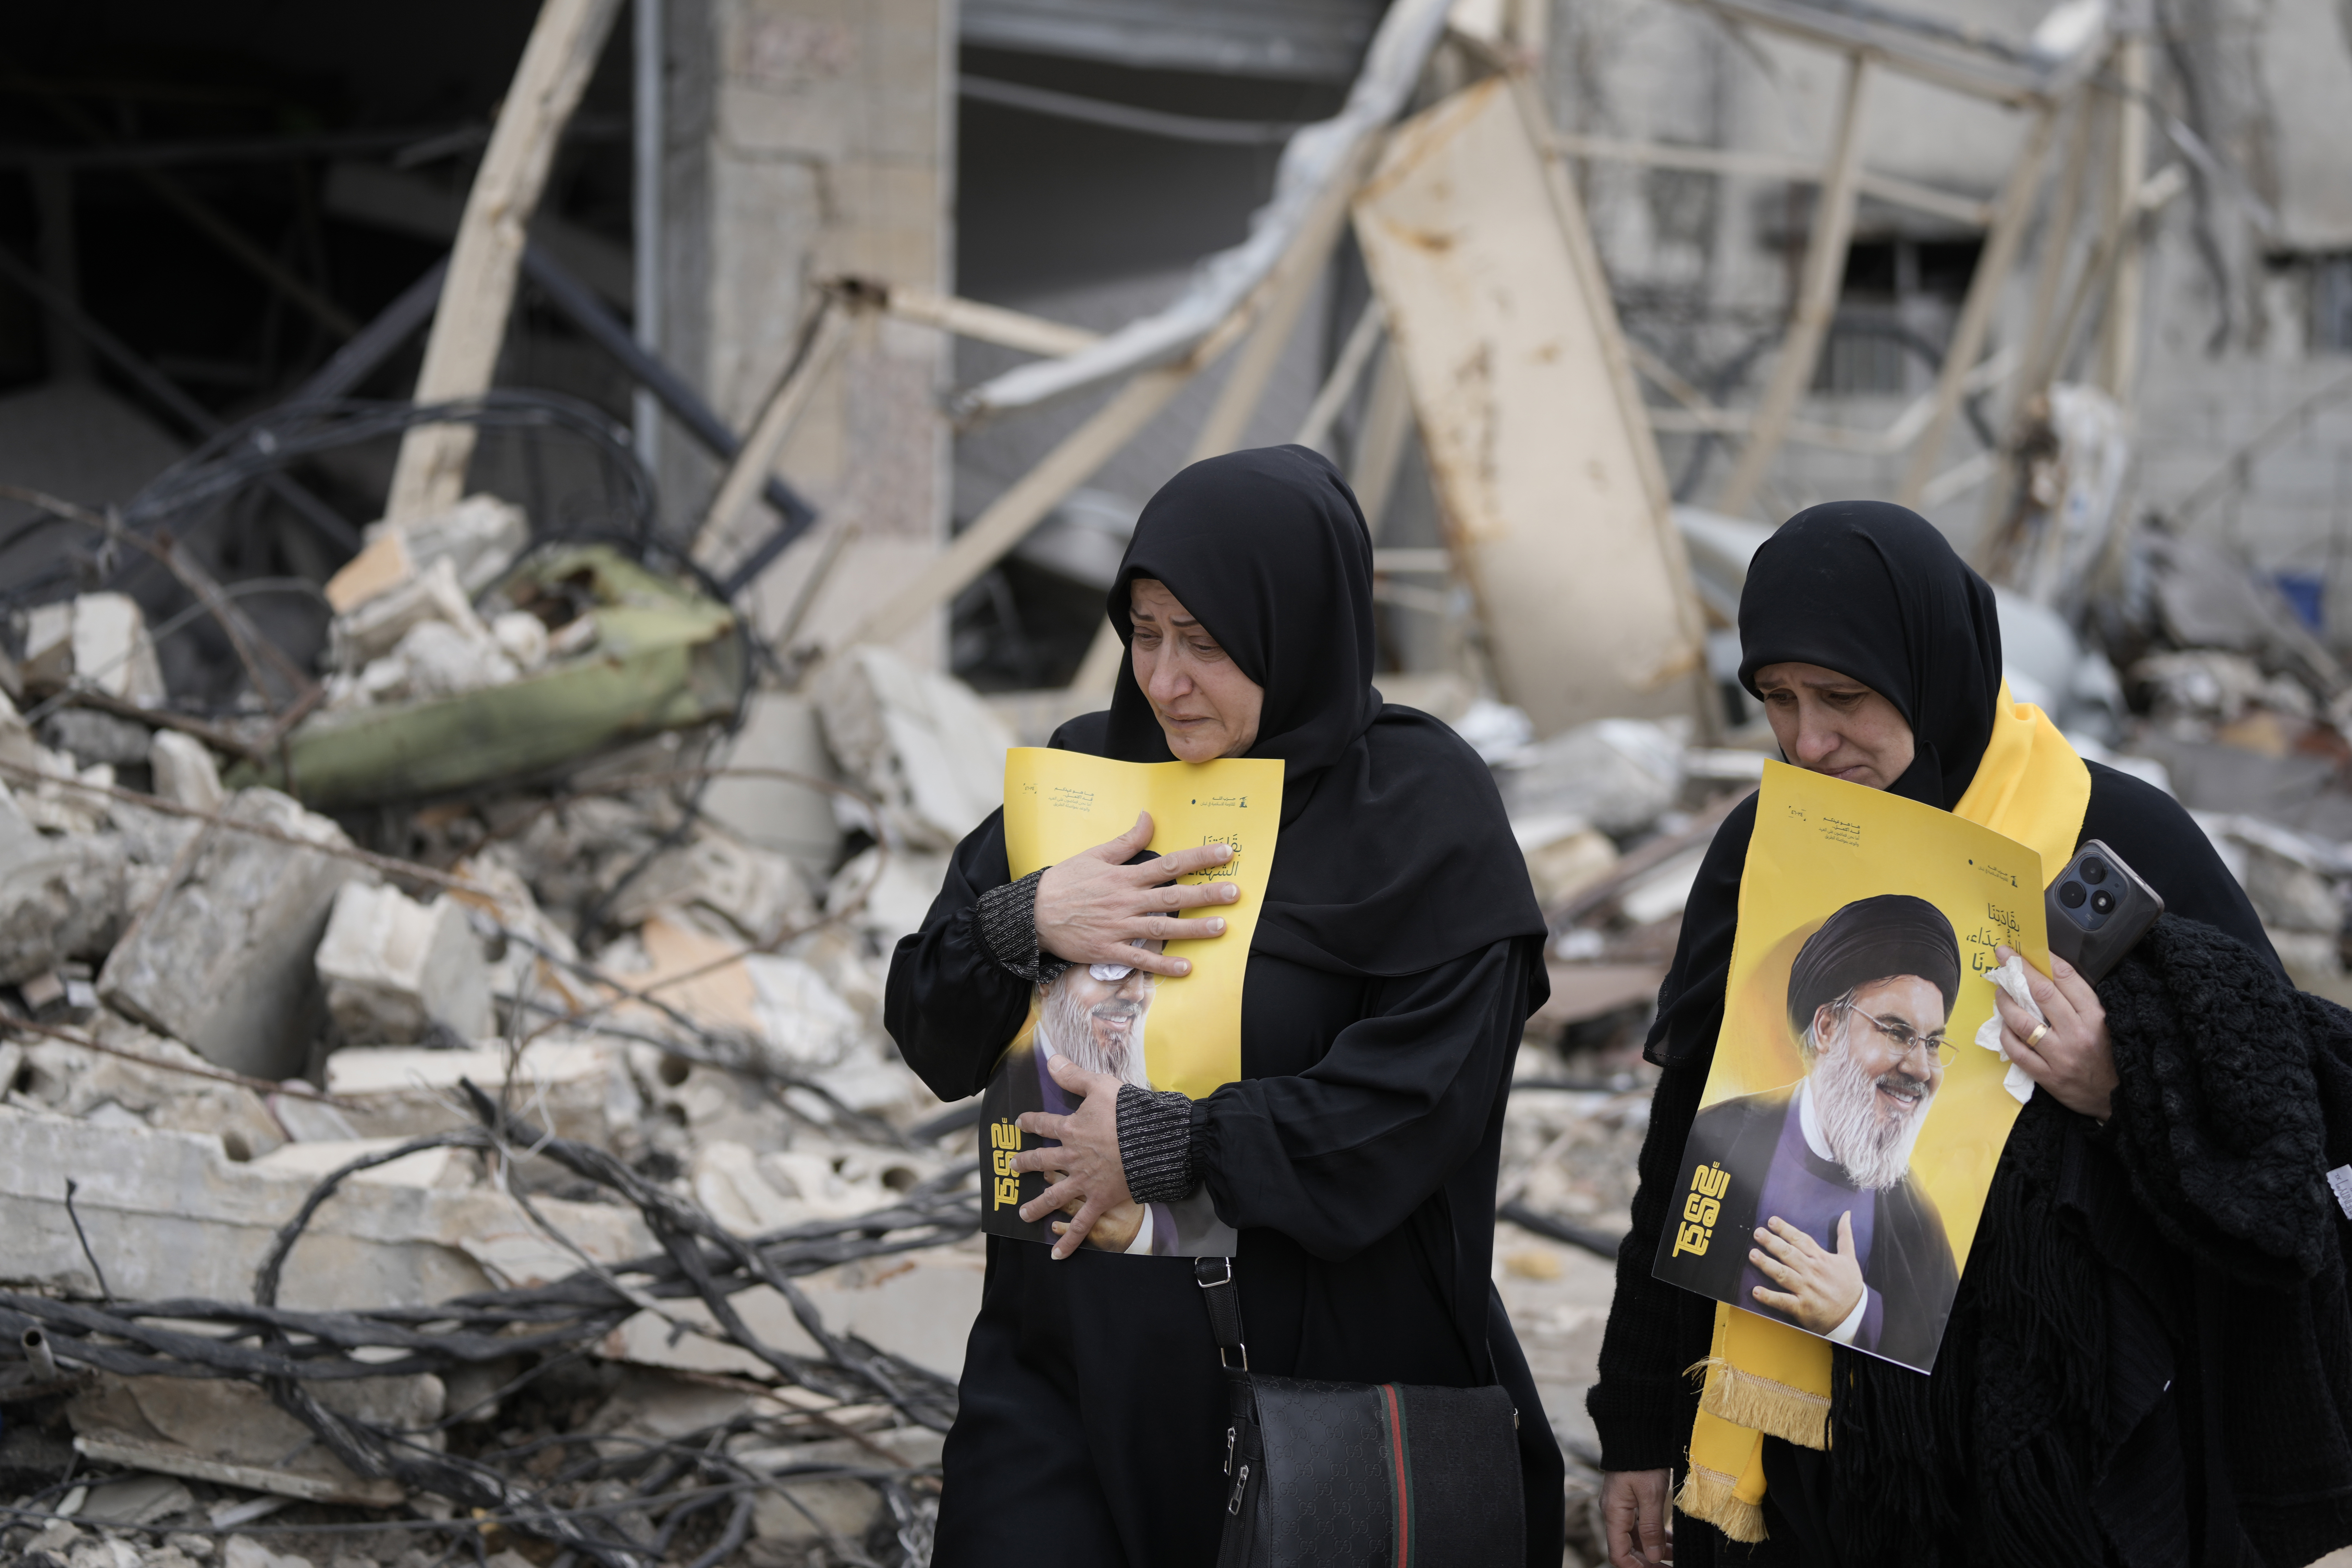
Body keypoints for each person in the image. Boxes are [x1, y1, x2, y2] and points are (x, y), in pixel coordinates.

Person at [1590, 500, 2352, 1568]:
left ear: (1929, 669)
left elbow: (2284, 1141)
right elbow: (1685, 1155)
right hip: (1794, 1458)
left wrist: (2119, 1085)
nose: (1809, 740)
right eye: (1778, 701)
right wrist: (1636, 1424)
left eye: (1844, 699)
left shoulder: (2121, 842)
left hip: (2044, 1465)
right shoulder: (1766, 847)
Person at [886, 444, 1565, 1566]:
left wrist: (1178, 1143)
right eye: (1145, 634)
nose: (1163, 680)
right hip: (1065, 1373)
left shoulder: (1419, 815)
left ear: (1299, 632)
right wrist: (1024, 921)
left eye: (1205, 643)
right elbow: (930, 1030)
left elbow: (1418, 1102)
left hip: (1313, 1395)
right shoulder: (1082, 785)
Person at [1663, 895, 1962, 1368]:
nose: (1921, 1068)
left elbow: (1942, 1349)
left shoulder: (1916, 1216)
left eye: (1933, 1043)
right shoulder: (1720, 1134)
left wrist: (1854, 1313)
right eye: (1896, 1032)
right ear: (1827, 1027)